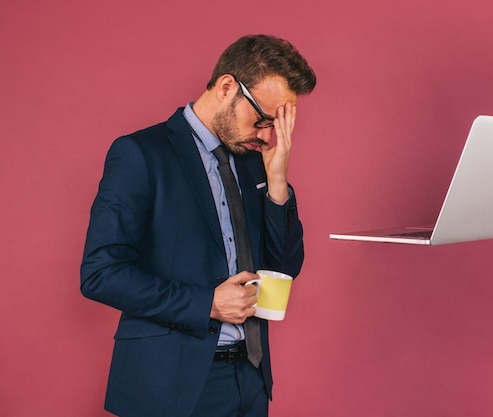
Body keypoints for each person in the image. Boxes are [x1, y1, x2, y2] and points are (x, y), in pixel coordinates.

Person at [80, 34, 316, 417]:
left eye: (274, 124)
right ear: (227, 87)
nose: (268, 135)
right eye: (262, 120)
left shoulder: (253, 160)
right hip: (169, 385)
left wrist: (277, 183)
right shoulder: (140, 154)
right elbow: (100, 274)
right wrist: (206, 303)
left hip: (250, 378)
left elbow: (285, 267)